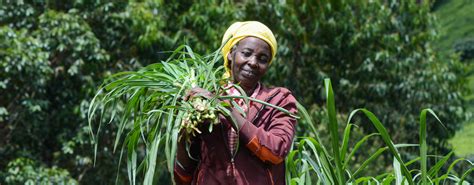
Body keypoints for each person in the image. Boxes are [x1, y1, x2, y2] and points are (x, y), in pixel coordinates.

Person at [174, 21, 298, 185]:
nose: (253, 62)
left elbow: (276, 151)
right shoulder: (205, 102)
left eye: (262, 59)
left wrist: (227, 110)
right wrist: (184, 129)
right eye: (246, 53)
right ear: (231, 54)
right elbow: (183, 176)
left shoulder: (279, 99)